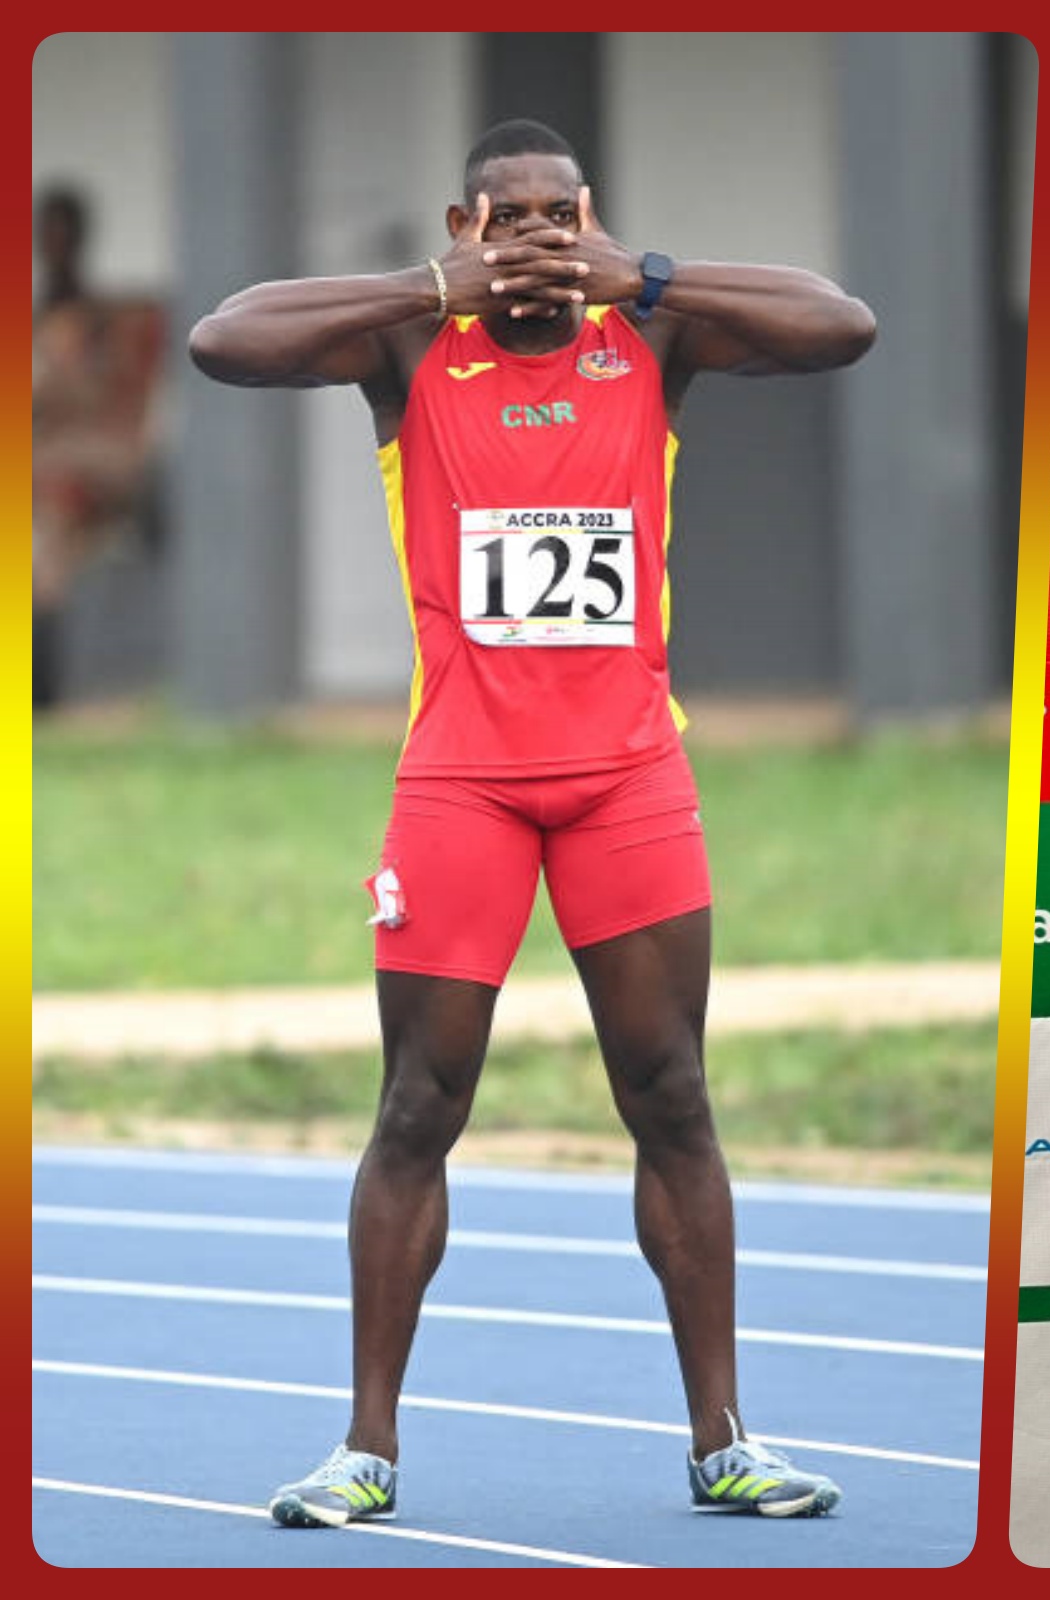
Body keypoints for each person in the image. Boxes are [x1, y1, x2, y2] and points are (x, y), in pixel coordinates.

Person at [188, 118, 876, 1528]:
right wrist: (419, 291)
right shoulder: (410, 352)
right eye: (509, 225)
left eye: (561, 219)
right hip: (465, 781)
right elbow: (223, 339)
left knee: (670, 1093)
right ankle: (365, 1449)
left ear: (593, 218)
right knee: (419, 1106)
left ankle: (724, 1440)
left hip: (628, 774)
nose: (538, 249)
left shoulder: (651, 339)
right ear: (466, 226)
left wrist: (656, 277)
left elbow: (844, 327)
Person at [33, 184, 166, 709]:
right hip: (48, 459)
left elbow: (99, 404)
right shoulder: (43, 309)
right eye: (47, 234)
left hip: (97, 461)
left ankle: (40, 689)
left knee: (49, 528)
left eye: (63, 233)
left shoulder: (101, 321)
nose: (55, 244)